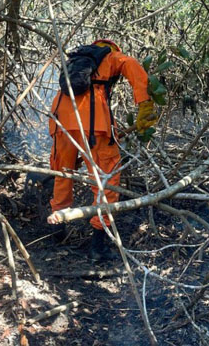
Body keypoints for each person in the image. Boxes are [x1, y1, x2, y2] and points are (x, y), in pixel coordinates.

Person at [46, 39, 155, 262]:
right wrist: (145, 104)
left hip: (60, 120)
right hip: (94, 124)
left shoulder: (76, 61)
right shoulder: (111, 56)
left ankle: (56, 234)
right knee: (107, 178)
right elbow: (130, 63)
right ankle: (98, 244)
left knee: (63, 173)